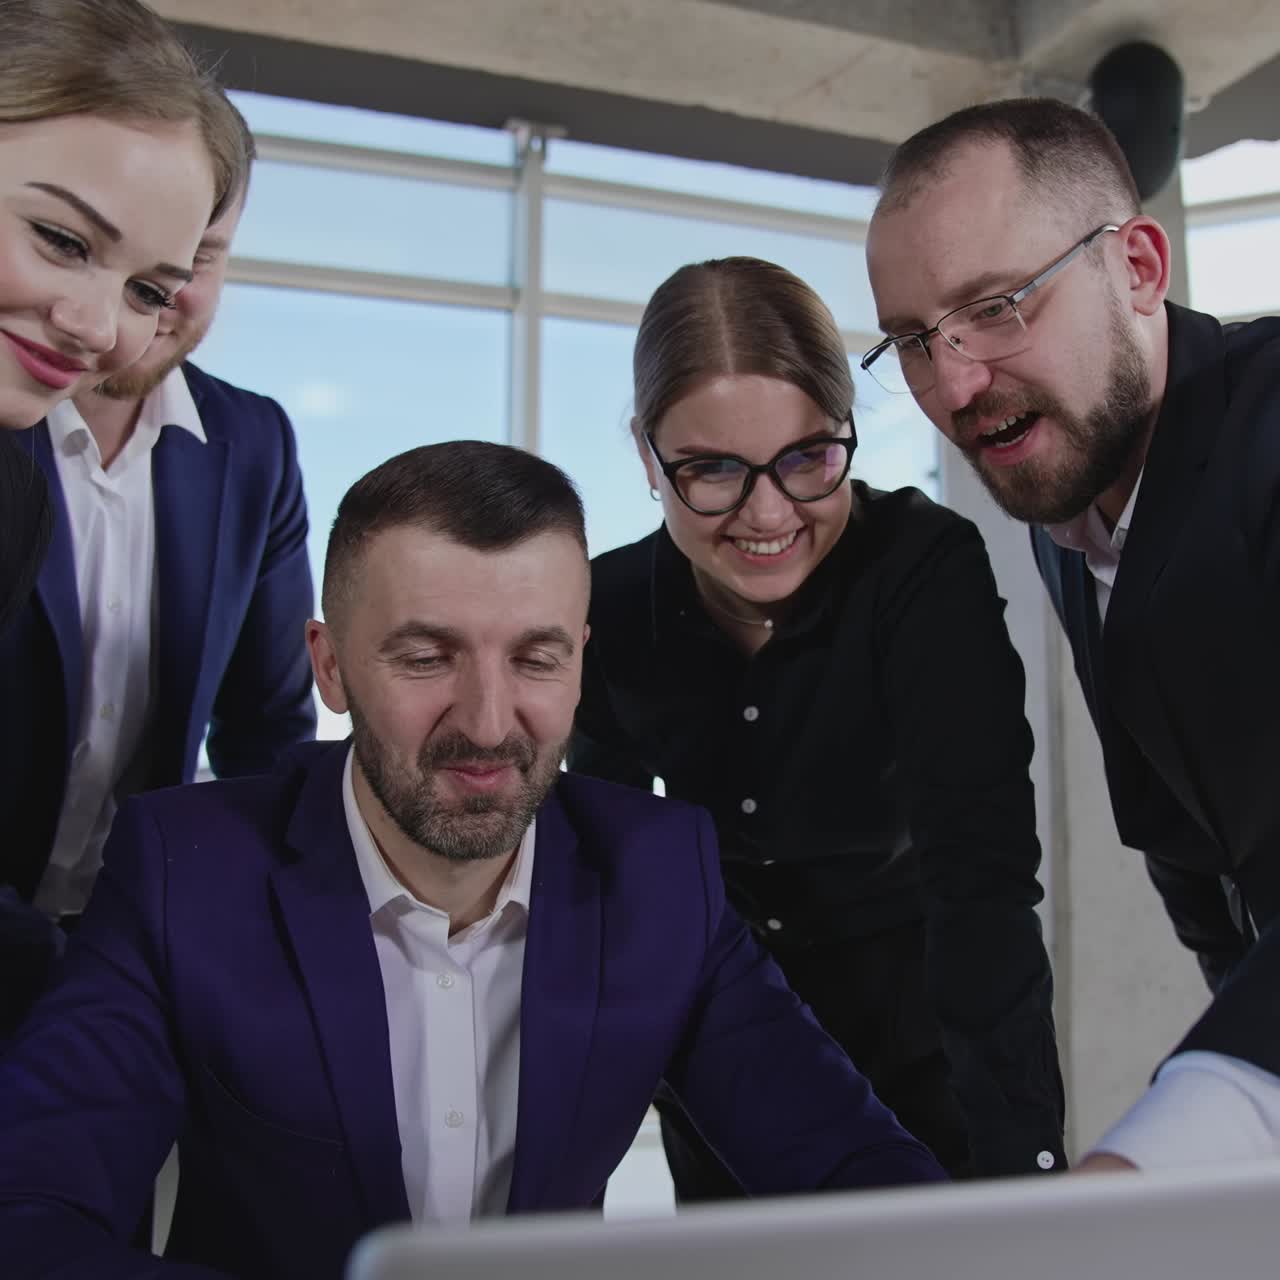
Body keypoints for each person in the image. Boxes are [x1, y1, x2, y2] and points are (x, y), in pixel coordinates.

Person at [0, 441, 945, 1279]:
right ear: (329, 666)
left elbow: (862, 1176)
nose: (489, 725)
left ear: (580, 660)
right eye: (425, 658)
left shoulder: (661, 875)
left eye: (536, 659)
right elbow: (26, 1221)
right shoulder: (184, 871)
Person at [569, 256, 1064, 1185]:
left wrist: (1023, 1169)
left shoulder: (920, 566)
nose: (768, 515)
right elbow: (614, 888)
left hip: (926, 1033)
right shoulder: (611, 605)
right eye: (711, 470)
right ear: (647, 455)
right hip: (724, 1046)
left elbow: (980, 880)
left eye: (807, 459)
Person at [863, 96, 1280, 1170]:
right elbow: (1187, 836)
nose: (954, 384)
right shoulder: (1070, 503)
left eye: (997, 305)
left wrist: (1176, 1140)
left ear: (1137, 266)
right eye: (912, 340)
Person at [0, 98, 316, 1028]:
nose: (133, 309)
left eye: (189, 264)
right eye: (73, 243)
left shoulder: (252, 445)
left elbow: (268, 730)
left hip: (132, 949)